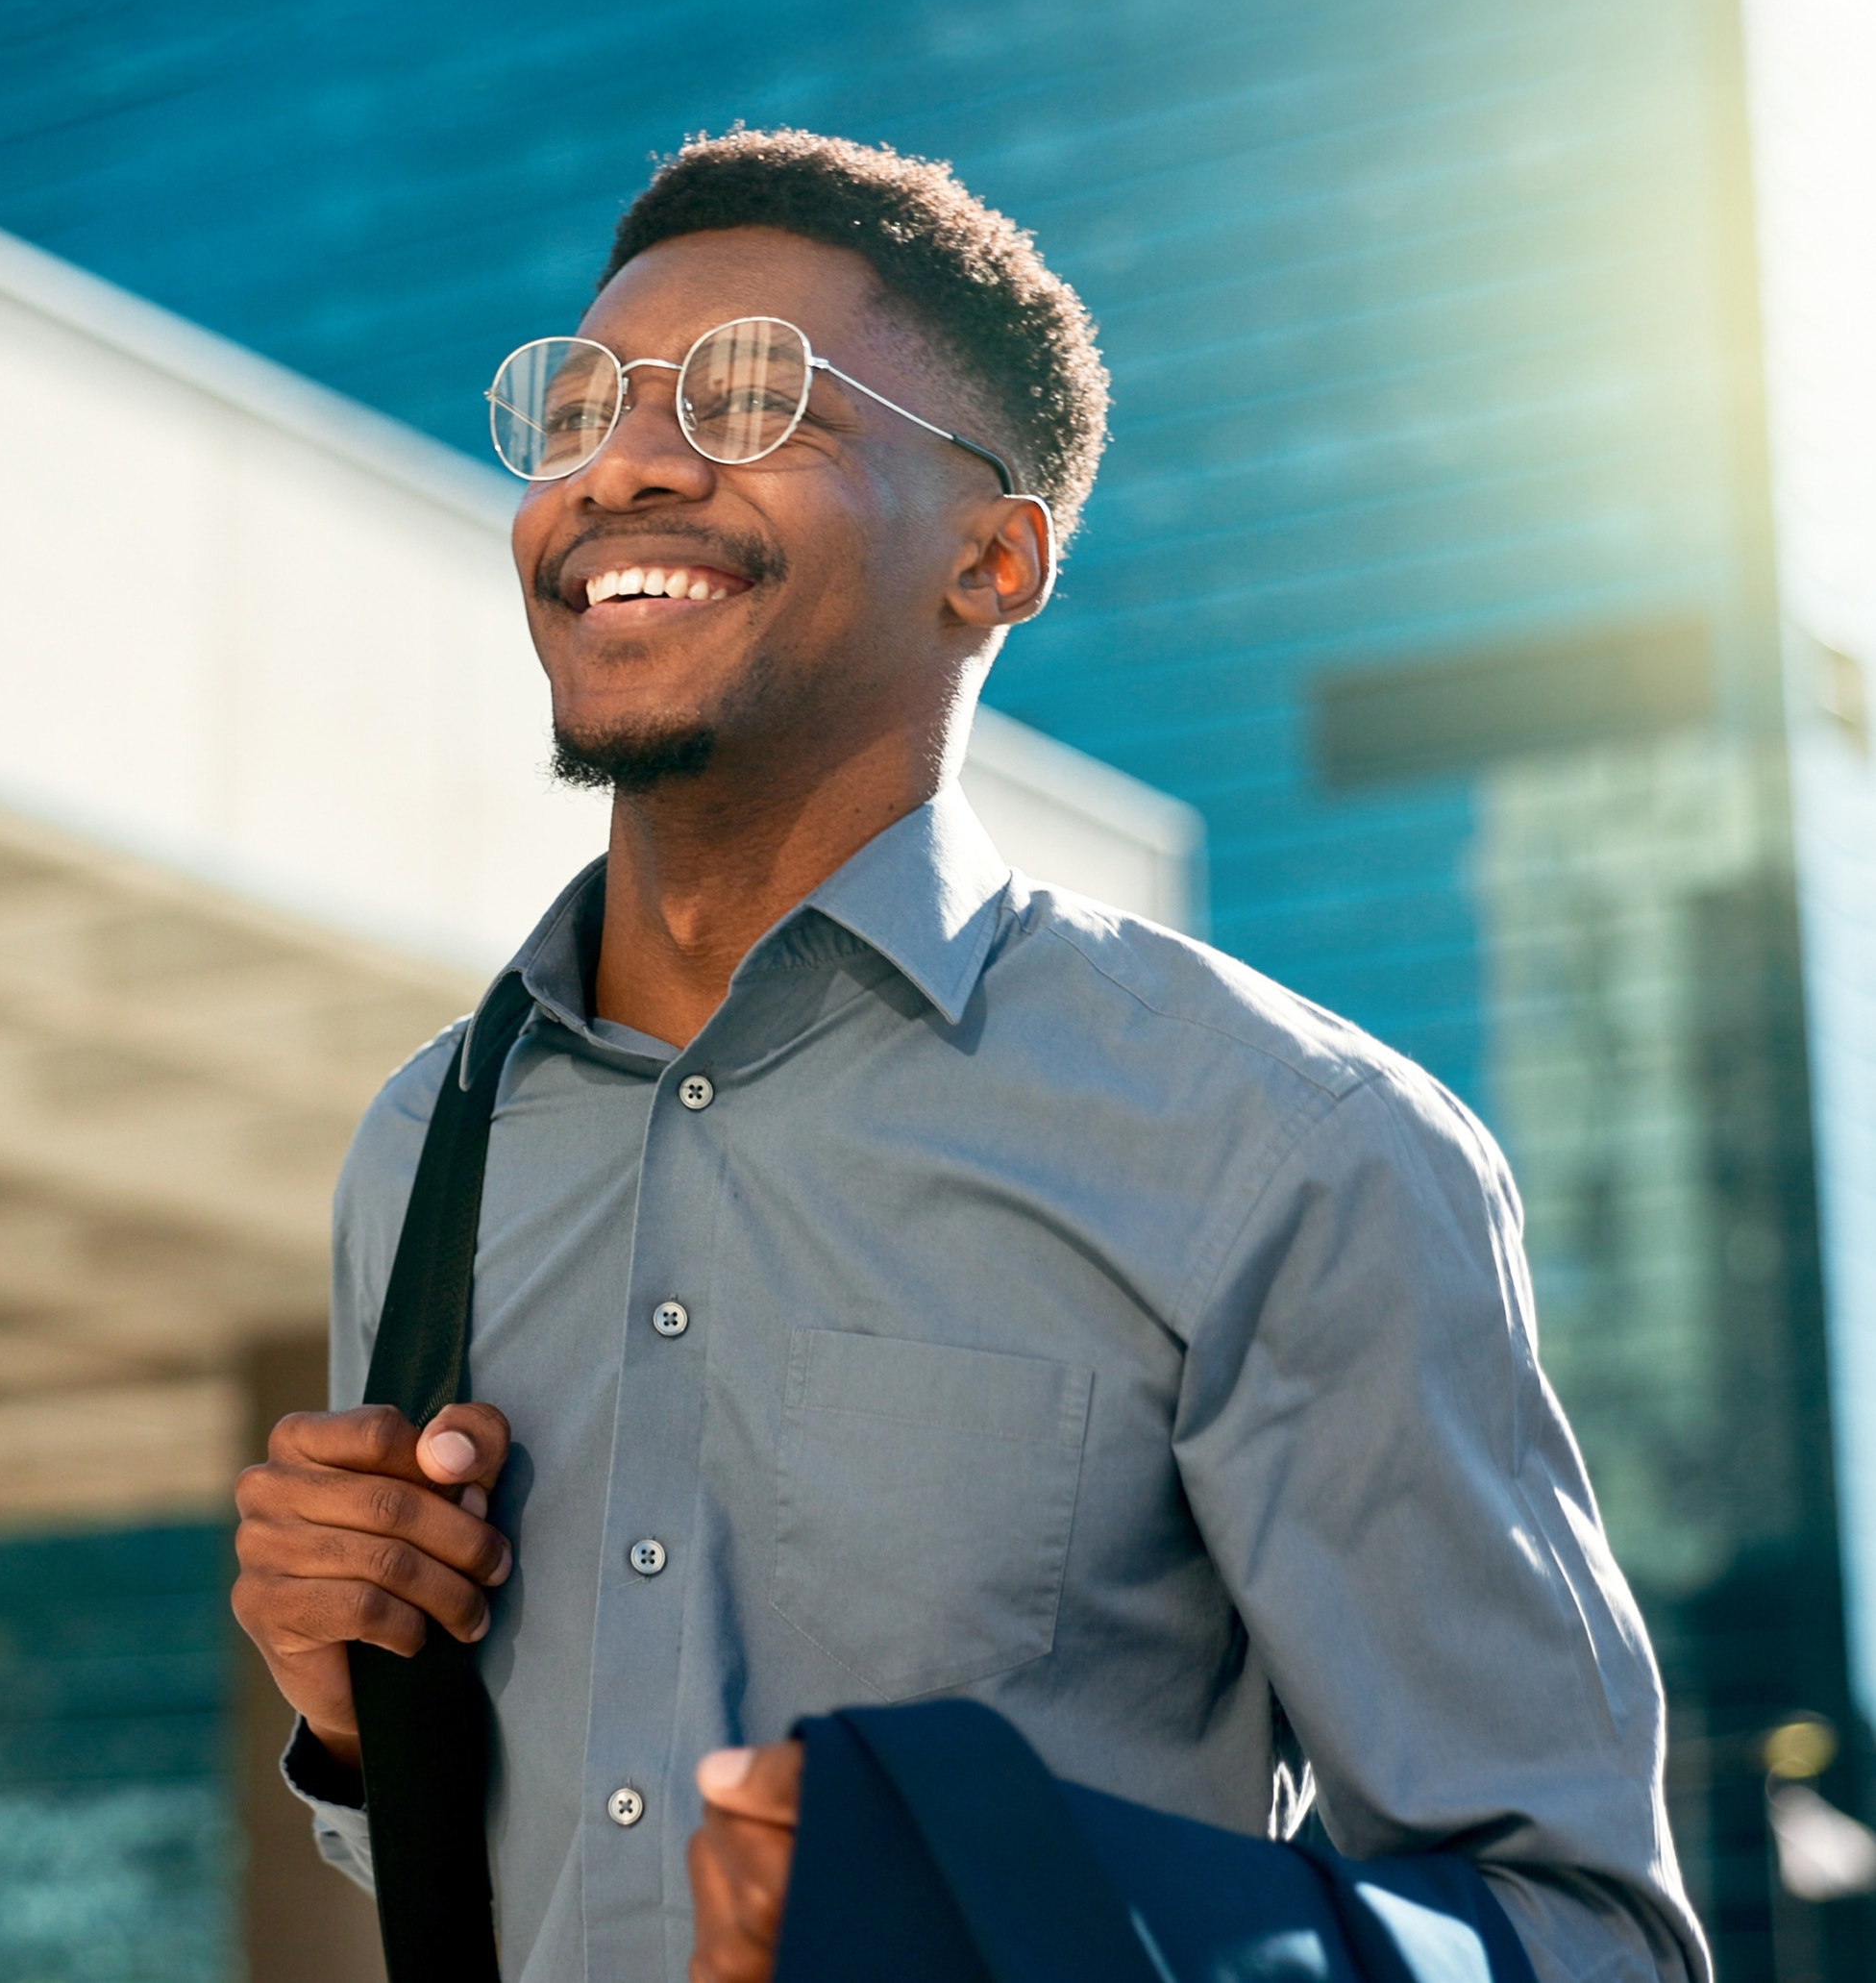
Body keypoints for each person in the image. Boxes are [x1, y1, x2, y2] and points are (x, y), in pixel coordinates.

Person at [232, 128, 1709, 1983]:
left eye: (755, 396)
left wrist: (1008, 1919)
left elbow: (1579, 1939)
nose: (627, 460)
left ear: (994, 557)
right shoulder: (428, 1142)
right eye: (582, 404)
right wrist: (361, 1721)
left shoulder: (1291, 1145)